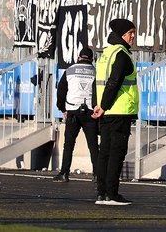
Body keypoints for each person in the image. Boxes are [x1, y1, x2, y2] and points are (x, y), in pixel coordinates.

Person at [92, 19, 139, 206]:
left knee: (104, 151)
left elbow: (97, 82)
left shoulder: (106, 53)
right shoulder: (122, 55)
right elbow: (114, 81)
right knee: (116, 152)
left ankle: (102, 193)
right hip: (119, 110)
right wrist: (104, 105)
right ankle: (112, 193)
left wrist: (98, 105)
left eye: (133, 32)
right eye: (130, 33)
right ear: (121, 35)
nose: (133, 36)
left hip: (106, 111)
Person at [54, 47, 99, 182]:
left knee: (69, 144)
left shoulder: (70, 70)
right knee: (93, 144)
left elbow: (61, 91)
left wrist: (63, 108)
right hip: (90, 111)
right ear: (92, 60)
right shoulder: (95, 71)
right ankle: (97, 174)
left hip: (73, 111)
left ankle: (64, 173)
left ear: (79, 58)